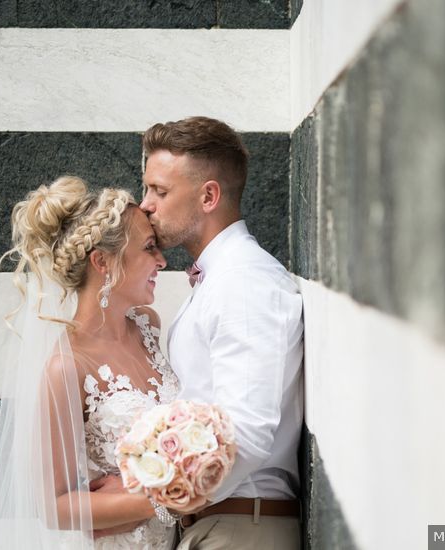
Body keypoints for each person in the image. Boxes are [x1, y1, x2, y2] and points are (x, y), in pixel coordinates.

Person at [0, 176, 180, 549]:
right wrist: (164, 499)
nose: (162, 260)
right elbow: (54, 507)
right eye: (150, 247)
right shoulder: (66, 367)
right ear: (102, 261)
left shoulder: (148, 328)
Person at [141, 116, 304, 549]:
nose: (145, 206)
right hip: (221, 523)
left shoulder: (245, 283)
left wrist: (156, 499)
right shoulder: (218, 279)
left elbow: (247, 432)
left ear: (208, 195)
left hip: (242, 527)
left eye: (159, 190)